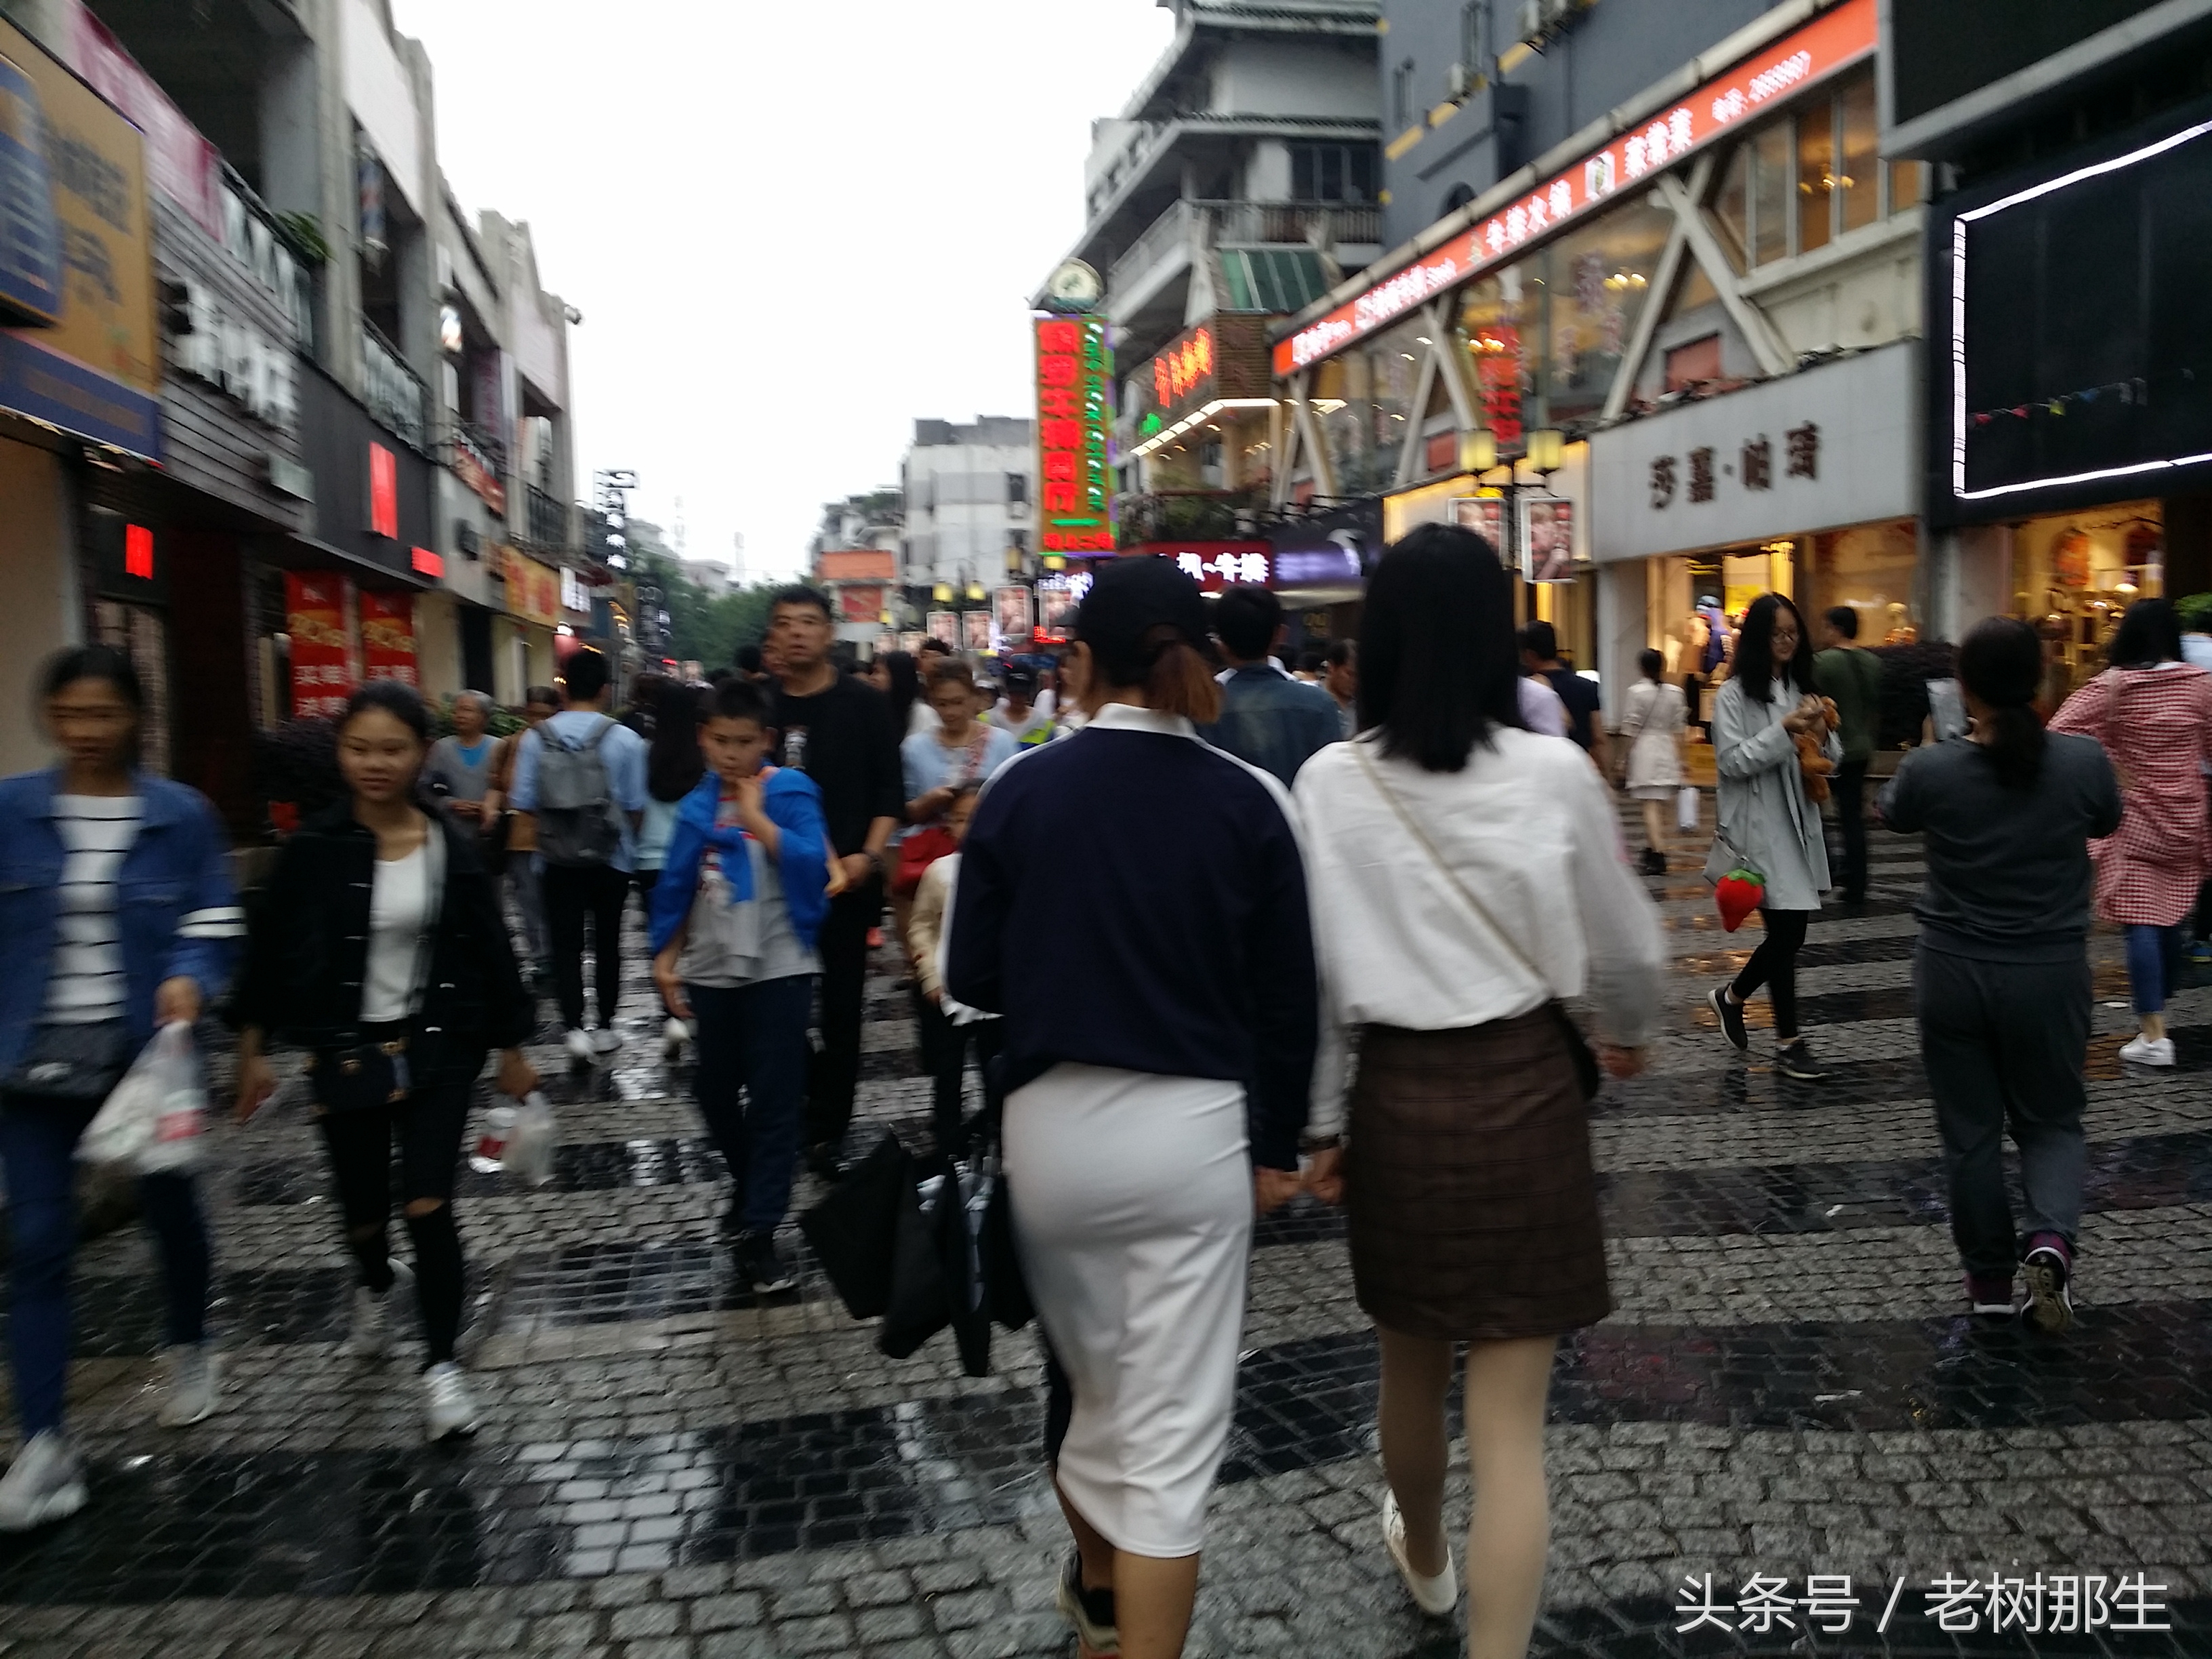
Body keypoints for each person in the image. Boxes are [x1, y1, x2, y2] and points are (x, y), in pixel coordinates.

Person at [1294, 525, 1662, 1658]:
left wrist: (1320, 1124)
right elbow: (1628, 946)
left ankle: (1420, 1549)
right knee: (1509, 1429)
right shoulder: (1554, 772)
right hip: (1526, 1094)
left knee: (1406, 1361)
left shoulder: (1328, 782)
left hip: (1396, 1101)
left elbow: (1315, 980)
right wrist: (1626, 1032)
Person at [947, 556, 1319, 1659]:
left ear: (1077, 662)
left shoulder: (1020, 789)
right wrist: (1280, 1143)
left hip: (1050, 1140)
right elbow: (1288, 999)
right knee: (1166, 1447)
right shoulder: (1248, 799)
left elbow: (970, 978)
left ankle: (1102, 1611)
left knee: (1093, 1397)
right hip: (1195, 1139)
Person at [233, 682, 538, 1442]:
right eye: (359, 749)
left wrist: (511, 1046)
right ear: (341, 753)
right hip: (347, 1054)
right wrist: (251, 1046)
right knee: (363, 1216)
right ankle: (374, 1279)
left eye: (392, 749)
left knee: (428, 1205)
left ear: (421, 753)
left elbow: (490, 947)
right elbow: (272, 950)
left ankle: (441, 1368)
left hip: (438, 1047)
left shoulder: (449, 844)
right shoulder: (314, 848)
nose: (375, 764)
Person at [0, 647, 242, 1531]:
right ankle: (45, 1445)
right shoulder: (11, 810)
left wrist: (191, 976)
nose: (86, 731)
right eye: (70, 714)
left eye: (102, 714)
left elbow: (214, 919)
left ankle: (191, 1342)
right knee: (37, 1242)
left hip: (145, 1058)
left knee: (170, 1209)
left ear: (134, 717)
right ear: (50, 717)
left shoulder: (180, 815)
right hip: (32, 1058)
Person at [1877, 617, 2121, 1329]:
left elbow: (1892, 812)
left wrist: (1937, 744)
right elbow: (2107, 820)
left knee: (1971, 1135)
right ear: (2041, 680)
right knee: (2052, 1123)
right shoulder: (2083, 762)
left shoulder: (1933, 769)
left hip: (1952, 972)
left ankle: (1987, 1282)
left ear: (1964, 686)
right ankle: (2049, 1241)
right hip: (2049, 971)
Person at [649, 678, 830, 1292]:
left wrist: (757, 819)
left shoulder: (789, 792)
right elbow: (679, 886)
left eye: (744, 742)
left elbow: (814, 862)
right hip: (711, 966)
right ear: (704, 738)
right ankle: (755, 1188)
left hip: (780, 965)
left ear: (766, 740)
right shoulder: (697, 806)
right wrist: (666, 958)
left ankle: (760, 1232)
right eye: (721, 741)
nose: (731, 754)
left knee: (776, 1100)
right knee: (715, 1091)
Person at [765, 586, 902, 1179]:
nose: (797, 632)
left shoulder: (864, 703)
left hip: (846, 882)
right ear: (773, 634)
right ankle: (806, 1098)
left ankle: (828, 1129)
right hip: (772, 885)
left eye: (808, 622)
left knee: (842, 1011)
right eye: (785, 623)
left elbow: (889, 791)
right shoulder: (761, 705)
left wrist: (867, 857)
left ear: (828, 632)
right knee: (776, 1010)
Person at [2049, 598, 2212, 1067]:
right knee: (2170, 914)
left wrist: (2111, 763)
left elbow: (2059, 730)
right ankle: (2160, 995)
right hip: (2186, 816)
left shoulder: (2114, 686)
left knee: (2141, 919)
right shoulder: (2200, 685)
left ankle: (2154, 1035)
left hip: (2134, 817)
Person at [1705, 594, 1841, 1082]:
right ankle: (1786, 1039)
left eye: (1793, 633)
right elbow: (1732, 761)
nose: (1786, 642)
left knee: (1787, 933)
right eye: (1777, 633)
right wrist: (1784, 730)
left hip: (1798, 824)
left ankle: (1736, 1000)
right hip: (1759, 829)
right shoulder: (1733, 695)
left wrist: (1822, 734)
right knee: (1788, 933)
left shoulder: (1803, 689)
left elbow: (1831, 758)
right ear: (1759, 639)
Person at [509, 647, 648, 1063]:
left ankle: (572, 1028)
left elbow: (524, 804)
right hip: (612, 858)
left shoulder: (536, 738)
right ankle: (604, 1026)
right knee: (608, 942)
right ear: (605, 689)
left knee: (564, 945)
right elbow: (636, 806)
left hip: (555, 859)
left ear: (564, 687)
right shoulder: (626, 739)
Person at [905, 783, 998, 1158]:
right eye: (960, 819)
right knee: (947, 1075)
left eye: (977, 818)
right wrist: (929, 974)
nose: (969, 827)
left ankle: (998, 1142)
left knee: (997, 1073)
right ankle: (948, 1149)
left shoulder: (1011, 871)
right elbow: (921, 926)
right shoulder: (940, 872)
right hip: (947, 991)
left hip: (995, 995)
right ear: (948, 824)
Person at [1198, 583, 1344, 788]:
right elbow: (1333, 786)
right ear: (1280, 635)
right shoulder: (1319, 705)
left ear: (1220, 643)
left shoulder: (1202, 709)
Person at [641, 678, 708, 1057]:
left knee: (662, 938)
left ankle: (671, 1015)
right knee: (696, 938)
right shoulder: (704, 758)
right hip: (693, 857)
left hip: (650, 859)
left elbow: (632, 805)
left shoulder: (643, 752)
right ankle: (694, 1010)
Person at [488, 686, 559, 986]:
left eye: (546, 715)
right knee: (529, 902)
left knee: (555, 903)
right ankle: (541, 958)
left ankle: (557, 955)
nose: (539, 721)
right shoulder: (510, 745)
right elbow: (498, 786)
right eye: (534, 714)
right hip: (522, 836)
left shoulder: (564, 743)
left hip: (560, 837)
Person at [1814, 607, 1884, 906]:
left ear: (1836, 628)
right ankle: (1858, 881)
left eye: (1825, 627)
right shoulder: (1873, 663)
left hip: (1832, 748)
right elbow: (1875, 708)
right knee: (1853, 816)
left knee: (1815, 809)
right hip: (1862, 746)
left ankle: (1828, 869)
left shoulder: (1822, 662)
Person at [1618, 648, 1687, 875]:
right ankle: (1653, 846)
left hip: (1645, 750)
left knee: (1649, 805)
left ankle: (1658, 852)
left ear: (1642, 667)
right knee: (1659, 804)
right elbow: (1679, 728)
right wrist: (1683, 758)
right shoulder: (1675, 693)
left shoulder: (1636, 692)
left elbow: (1630, 727)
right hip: (1667, 749)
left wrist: (1623, 758)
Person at [1519, 620, 1608, 773]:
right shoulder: (1587, 686)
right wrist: (1605, 774)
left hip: (1542, 768)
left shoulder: (1526, 689)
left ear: (1529, 654)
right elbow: (1598, 738)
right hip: (1581, 767)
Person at [424, 691, 498, 833]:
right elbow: (426, 787)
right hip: (449, 828)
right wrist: (449, 803)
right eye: (456, 711)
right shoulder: (441, 748)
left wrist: (489, 806)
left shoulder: (498, 747)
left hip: (489, 831)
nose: (460, 715)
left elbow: (507, 788)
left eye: (467, 710)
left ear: (484, 716)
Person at [987, 663, 1056, 747]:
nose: (1018, 698)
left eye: (1022, 693)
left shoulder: (1045, 726)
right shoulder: (987, 721)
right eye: (1014, 693)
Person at [868, 649, 924, 741]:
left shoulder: (921, 714)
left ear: (897, 676)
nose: (872, 678)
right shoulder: (876, 710)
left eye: (878, 672)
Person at [1323, 638, 1357, 738]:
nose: (1355, 681)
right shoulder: (1313, 701)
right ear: (1331, 668)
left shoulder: (1362, 706)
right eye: (1350, 674)